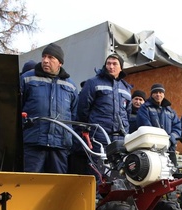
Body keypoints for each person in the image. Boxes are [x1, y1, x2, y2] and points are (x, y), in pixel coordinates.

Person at [20, 43, 78, 174]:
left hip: (60, 145)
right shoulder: (27, 78)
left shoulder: (71, 86)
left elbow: (74, 115)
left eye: (51, 57)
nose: (45, 60)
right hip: (33, 143)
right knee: (30, 184)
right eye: (44, 56)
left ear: (60, 63)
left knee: (57, 186)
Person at [77, 53, 132, 154]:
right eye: (108, 63)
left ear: (121, 68)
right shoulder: (93, 82)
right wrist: (90, 128)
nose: (111, 67)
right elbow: (83, 109)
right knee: (98, 167)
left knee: (118, 168)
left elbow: (127, 113)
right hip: (99, 135)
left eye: (115, 64)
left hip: (121, 138)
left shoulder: (126, 88)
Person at [136, 83, 181, 166]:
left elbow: (177, 127)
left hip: (169, 149)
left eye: (160, 92)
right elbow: (145, 127)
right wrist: (159, 140)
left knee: (172, 174)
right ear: (151, 94)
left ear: (163, 94)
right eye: (155, 92)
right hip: (152, 150)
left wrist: (171, 139)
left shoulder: (170, 111)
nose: (158, 94)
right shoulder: (145, 108)